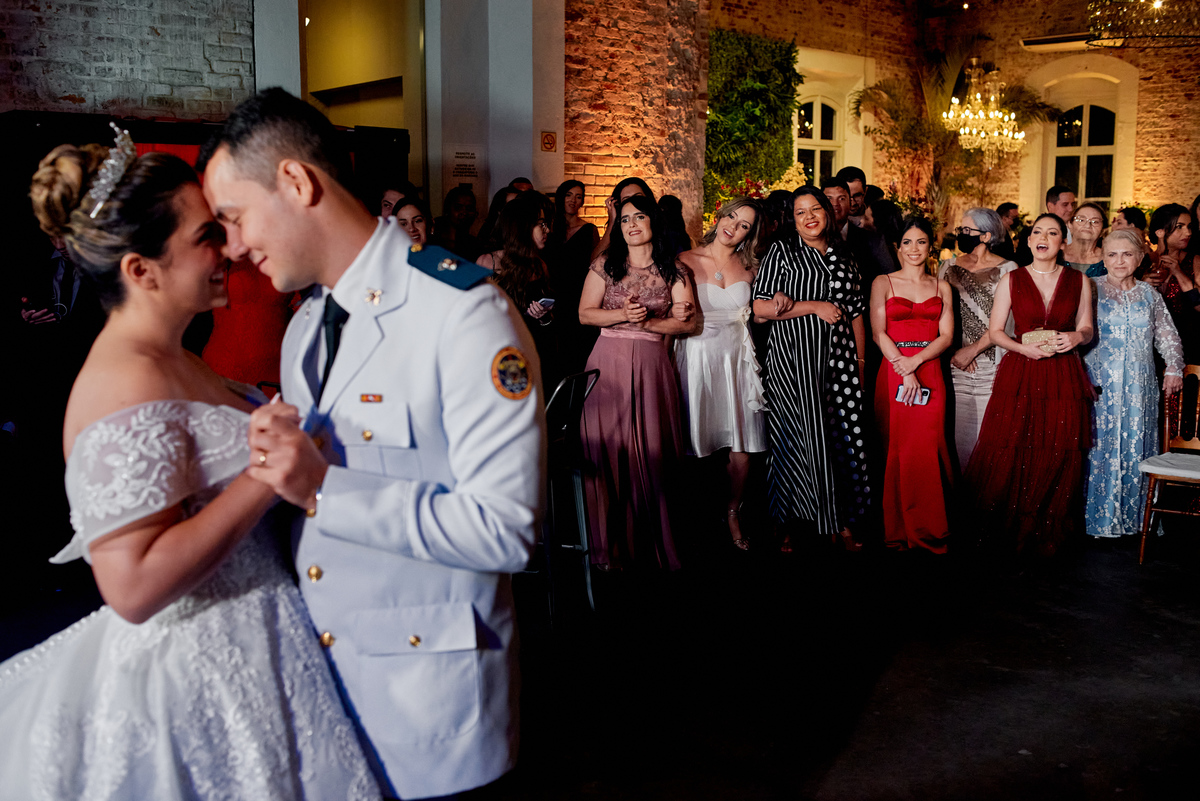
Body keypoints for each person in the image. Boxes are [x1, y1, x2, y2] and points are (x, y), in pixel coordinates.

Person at [0, 127, 377, 797]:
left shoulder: (177, 357)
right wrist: (264, 474)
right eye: (206, 237)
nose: (229, 250)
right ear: (141, 271)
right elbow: (134, 586)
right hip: (196, 676)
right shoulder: (122, 383)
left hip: (260, 640)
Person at [200, 88, 543, 799]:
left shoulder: (462, 314)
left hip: (434, 709)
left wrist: (323, 488)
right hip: (331, 695)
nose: (231, 248)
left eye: (233, 218)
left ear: (296, 182)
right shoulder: (305, 328)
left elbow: (508, 530)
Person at [578, 194, 698, 570]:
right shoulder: (604, 265)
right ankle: (605, 547)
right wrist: (619, 316)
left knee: (651, 451)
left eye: (639, 217)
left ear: (652, 223)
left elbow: (689, 323)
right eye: (625, 218)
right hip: (606, 362)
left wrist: (646, 322)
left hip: (650, 364)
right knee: (606, 451)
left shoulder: (675, 271)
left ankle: (648, 544)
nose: (630, 224)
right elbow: (584, 314)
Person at [965, 213, 1094, 558]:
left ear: (1063, 242)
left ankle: (1045, 531)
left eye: (1053, 233)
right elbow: (995, 332)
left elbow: (1087, 328)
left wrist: (1075, 336)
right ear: (1028, 240)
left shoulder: (1079, 282)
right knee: (1013, 446)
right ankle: (1009, 532)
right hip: (1021, 372)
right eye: (1038, 232)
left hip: (1063, 373)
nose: (1044, 238)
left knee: (1057, 449)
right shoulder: (1012, 279)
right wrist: (1023, 348)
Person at [752, 186, 870, 553]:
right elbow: (759, 309)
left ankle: (841, 519)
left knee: (843, 439)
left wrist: (861, 364)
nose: (809, 217)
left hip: (841, 361)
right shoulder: (782, 252)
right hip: (794, 359)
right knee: (796, 439)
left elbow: (855, 314)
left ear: (828, 211)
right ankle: (785, 521)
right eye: (800, 212)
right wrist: (814, 306)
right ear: (793, 218)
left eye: (814, 208)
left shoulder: (845, 255)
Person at [674, 197, 767, 550]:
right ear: (720, 216)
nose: (734, 226)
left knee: (741, 446)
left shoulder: (752, 267)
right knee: (692, 441)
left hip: (737, 360)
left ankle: (733, 511)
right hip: (695, 356)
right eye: (732, 217)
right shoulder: (684, 259)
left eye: (744, 224)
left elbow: (758, 314)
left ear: (750, 233)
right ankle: (692, 517)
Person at [1083, 229, 1185, 539]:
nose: (1119, 260)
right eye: (1112, 254)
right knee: (1099, 447)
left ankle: (1135, 520)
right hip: (1100, 385)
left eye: (1127, 254)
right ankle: (1099, 520)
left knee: (1137, 445)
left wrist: (1174, 367)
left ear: (1140, 258)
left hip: (1141, 387)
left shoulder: (1149, 295)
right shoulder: (1089, 289)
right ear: (1103, 257)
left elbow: (1167, 335)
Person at [870, 216, 954, 552]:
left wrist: (917, 363)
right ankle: (897, 528)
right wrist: (904, 369)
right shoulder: (883, 282)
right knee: (898, 449)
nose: (914, 249)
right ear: (897, 247)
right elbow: (878, 332)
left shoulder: (941, 286)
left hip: (930, 369)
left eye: (921, 242)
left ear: (930, 245)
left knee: (928, 448)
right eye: (907, 242)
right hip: (893, 370)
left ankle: (930, 528)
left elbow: (946, 336)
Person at [937, 208, 1019, 469]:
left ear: (986, 235)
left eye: (966, 230)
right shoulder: (947, 267)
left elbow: (1007, 321)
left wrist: (972, 350)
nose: (960, 235)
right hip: (954, 364)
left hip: (993, 363)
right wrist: (953, 353)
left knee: (989, 440)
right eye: (960, 230)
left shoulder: (1008, 268)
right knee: (957, 440)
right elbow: (937, 313)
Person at [477, 191, 559, 386]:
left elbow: (550, 327)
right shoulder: (488, 262)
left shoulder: (540, 266)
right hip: (501, 352)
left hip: (534, 350)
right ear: (522, 227)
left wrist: (544, 317)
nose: (547, 230)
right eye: (541, 224)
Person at [548, 179, 600, 373]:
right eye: (569, 195)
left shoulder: (589, 230)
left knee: (577, 355)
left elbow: (595, 262)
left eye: (578, 197)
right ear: (561, 197)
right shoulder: (550, 228)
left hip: (578, 296)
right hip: (551, 296)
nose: (573, 200)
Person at [1146, 203, 1200, 363]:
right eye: (1180, 227)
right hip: (1149, 345)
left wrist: (1178, 272)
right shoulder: (1143, 262)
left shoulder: (1195, 260)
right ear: (1160, 231)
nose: (1188, 232)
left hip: (1187, 345)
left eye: (1189, 227)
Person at [591, 176, 655, 261]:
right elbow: (595, 261)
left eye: (638, 197)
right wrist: (612, 221)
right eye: (626, 200)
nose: (632, 204)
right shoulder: (621, 229)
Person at [1015, 186, 1076, 263]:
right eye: (1065, 204)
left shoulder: (1077, 232)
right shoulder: (1031, 233)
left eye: (1073, 204)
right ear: (1050, 206)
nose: (1071, 209)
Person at [434, 185, 481, 260]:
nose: (464, 212)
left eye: (469, 208)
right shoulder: (434, 241)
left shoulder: (475, 245)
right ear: (447, 210)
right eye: (458, 207)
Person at [1063, 201, 1107, 277]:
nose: (1087, 225)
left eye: (1095, 222)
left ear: (1103, 230)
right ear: (1070, 225)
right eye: (1081, 220)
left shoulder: (1109, 258)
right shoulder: (1057, 255)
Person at [477, 185, 522, 252]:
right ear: (499, 211)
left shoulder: (525, 231)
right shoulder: (488, 234)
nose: (516, 210)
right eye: (511, 206)